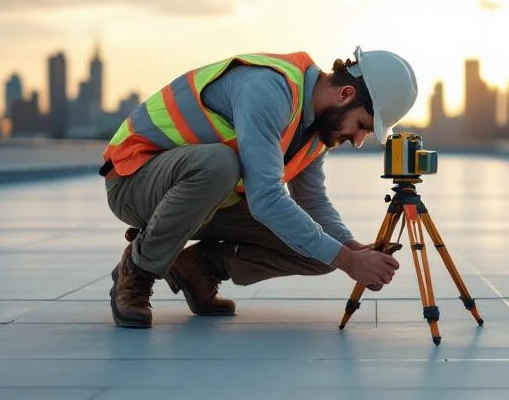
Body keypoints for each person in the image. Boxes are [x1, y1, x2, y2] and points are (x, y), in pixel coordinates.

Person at [100, 47, 419, 328]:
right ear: (345, 94)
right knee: (219, 163)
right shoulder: (269, 88)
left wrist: (351, 249)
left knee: (321, 250)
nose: (359, 140)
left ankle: (199, 268)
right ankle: (137, 272)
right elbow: (266, 198)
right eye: (363, 126)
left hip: (209, 200)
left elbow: (313, 202)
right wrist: (349, 263)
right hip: (134, 180)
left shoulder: (317, 132)